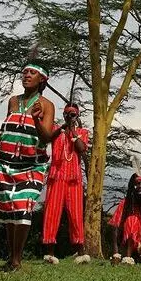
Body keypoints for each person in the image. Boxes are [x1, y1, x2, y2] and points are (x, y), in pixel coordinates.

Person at [0, 59, 56, 271]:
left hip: (31, 167)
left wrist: (36, 120)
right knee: (8, 213)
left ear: (42, 79)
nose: (26, 75)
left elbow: (47, 137)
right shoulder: (13, 102)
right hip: (5, 165)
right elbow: (5, 132)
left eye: (32, 73)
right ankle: (11, 259)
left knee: (23, 209)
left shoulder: (46, 105)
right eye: (25, 72)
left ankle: (16, 260)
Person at [41, 102, 90, 264]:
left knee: (76, 215)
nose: (70, 116)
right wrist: (63, 128)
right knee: (51, 213)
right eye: (67, 113)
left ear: (77, 115)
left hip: (74, 179)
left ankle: (81, 252)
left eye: (73, 114)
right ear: (63, 115)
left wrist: (73, 131)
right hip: (56, 178)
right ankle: (49, 253)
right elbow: (48, 137)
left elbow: (81, 148)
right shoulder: (56, 129)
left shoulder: (82, 132)